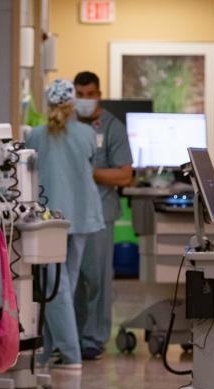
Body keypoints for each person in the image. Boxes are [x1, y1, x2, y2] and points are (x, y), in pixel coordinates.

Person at [25, 79, 105, 370]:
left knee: (54, 287)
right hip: (81, 214)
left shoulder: (35, 135)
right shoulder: (87, 134)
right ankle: (51, 351)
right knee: (63, 286)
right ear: (72, 104)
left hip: (50, 221)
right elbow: (89, 165)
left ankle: (68, 354)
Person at [71, 71, 134, 361]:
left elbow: (124, 175)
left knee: (96, 279)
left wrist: (88, 173)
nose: (84, 101)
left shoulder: (111, 128)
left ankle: (94, 339)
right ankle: (70, 337)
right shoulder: (67, 125)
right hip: (69, 214)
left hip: (100, 213)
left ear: (99, 94)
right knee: (71, 280)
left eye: (90, 95)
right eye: (79, 95)